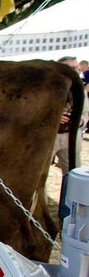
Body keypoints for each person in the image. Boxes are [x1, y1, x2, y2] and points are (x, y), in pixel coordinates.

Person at [52, 56, 87, 221]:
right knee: (39, 178)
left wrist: (80, 120)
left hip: (70, 138)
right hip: (49, 138)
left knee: (72, 177)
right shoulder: (49, 88)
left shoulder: (79, 89)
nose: (75, 70)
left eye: (75, 67)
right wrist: (55, 117)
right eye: (70, 67)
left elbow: (85, 114)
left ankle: (67, 216)